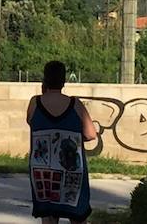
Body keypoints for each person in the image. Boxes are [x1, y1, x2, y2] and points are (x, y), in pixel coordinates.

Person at [27, 61, 98, 224]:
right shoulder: (76, 105)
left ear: (44, 80)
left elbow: (32, 123)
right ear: (64, 81)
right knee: (77, 214)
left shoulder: (34, 103)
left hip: (43, 170)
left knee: (49, 216)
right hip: (71, 170)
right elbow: (90, 134)